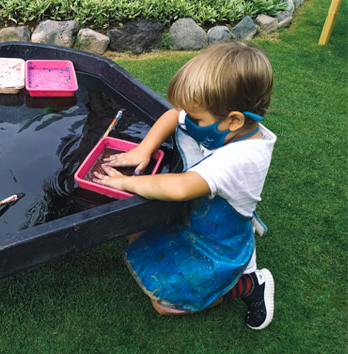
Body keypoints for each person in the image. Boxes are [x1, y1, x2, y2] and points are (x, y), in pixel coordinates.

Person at [92, 40, 276, 330]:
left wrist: (127, 182)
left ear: (234, 120)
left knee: (164, 305)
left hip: (218, 243)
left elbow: (180, 188)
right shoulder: (226, 125)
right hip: (194, 217)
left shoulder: (241, 158)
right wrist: (144, 149)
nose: (187, 120)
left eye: (196, 118)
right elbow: (171, 115)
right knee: (135, 235)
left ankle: (250, 283)